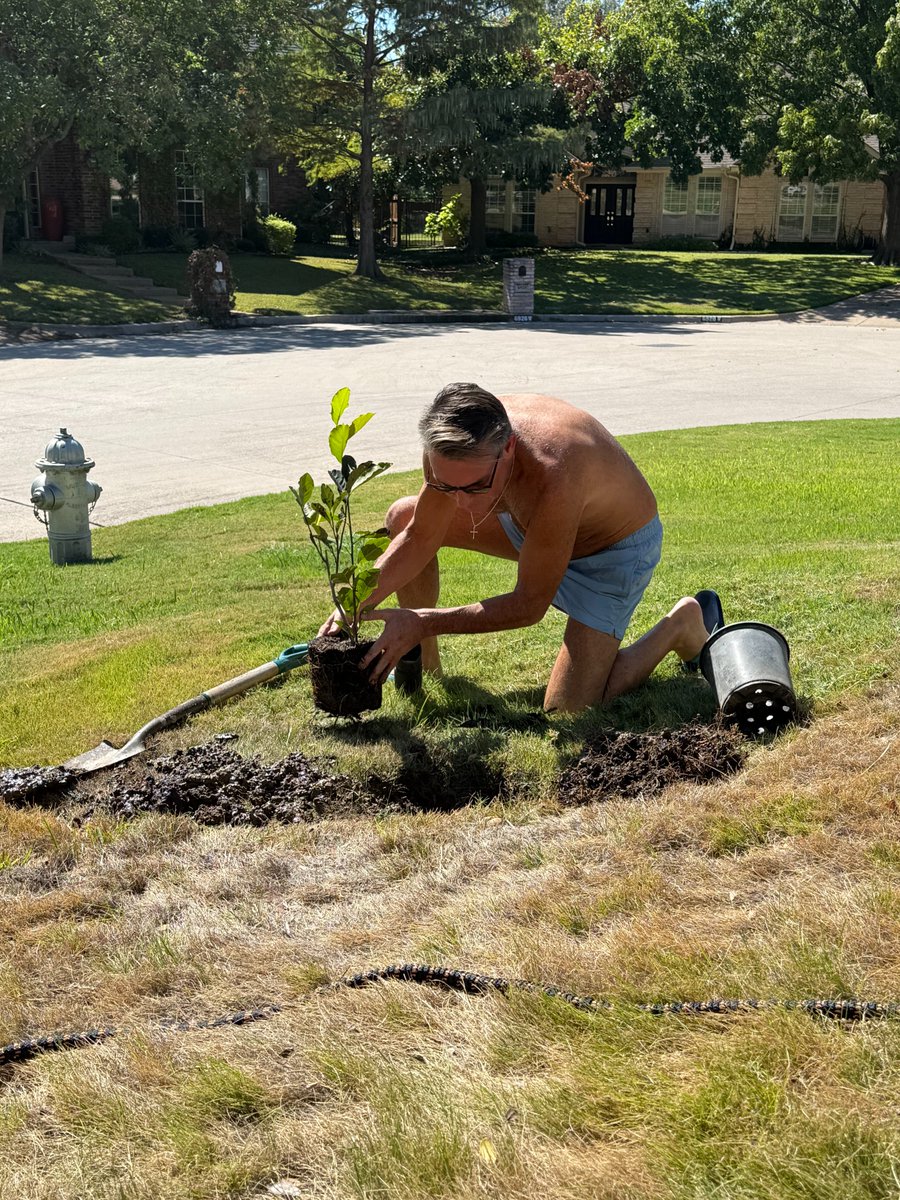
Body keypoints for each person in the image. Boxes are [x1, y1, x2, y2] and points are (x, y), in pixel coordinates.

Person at [321, 383, 712, 713]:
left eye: (475, 487)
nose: (459, 501)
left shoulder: (556, 469)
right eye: (444, 485)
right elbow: (420, 535)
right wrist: (352, 605)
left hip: (609, 550)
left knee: (568, 711)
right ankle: (425, 665)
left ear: (508, 449)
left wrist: (423, 620)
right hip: (530, 524)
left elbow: (528, 606)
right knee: (405, 516)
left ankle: (680, 625)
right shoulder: (456, 449)